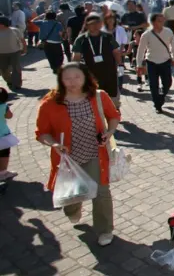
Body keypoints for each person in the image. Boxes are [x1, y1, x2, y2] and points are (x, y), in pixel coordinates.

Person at [36, 63, 121, 246]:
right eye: (67, 78)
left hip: (95, 154)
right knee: (72, 195)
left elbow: (113, 116)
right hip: (67, 158)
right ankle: (73, 209)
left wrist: (110, 132)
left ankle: (105, 230)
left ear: (85, 78)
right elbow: (42, 133)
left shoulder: (98, 97)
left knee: (102, 192)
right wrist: (54, 144)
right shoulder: (50, 103)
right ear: (60, 80)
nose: (72, 82)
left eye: (77, 77)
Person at [73, 13, 121, 107]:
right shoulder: (81, 39)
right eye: (92, 24)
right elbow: (76, 57)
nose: (95, 26)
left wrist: (120, 64)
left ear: (101, 24)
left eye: (97, 23)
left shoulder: (108, 37)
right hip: (92, 73)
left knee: (113, 93)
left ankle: (114, 111)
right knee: (94, 95)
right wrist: (75, 71)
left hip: (109, 71)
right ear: (87, 25)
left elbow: (116, 52)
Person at [135, 14, 174, 113]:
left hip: (165, 61)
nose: (162, 23)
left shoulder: (168, 32)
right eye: (159, 21)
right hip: (151, 62)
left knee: (168, 83)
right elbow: (141, 51)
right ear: (153, 22)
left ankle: (162, 96)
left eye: (163, 20)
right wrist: (139, 65)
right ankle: (157, 104)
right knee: (153, 85)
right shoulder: (146, 35)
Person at [0, 88, 18, 181]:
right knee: (4, 154)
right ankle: (3, 173)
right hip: (3, 135)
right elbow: (9, 116)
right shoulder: (3, 106)